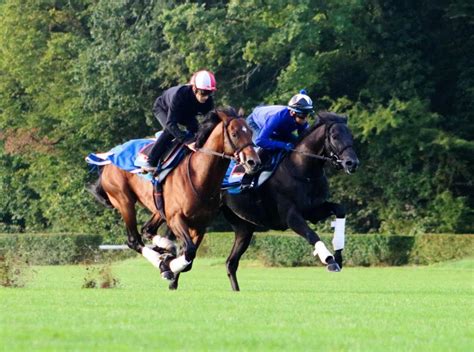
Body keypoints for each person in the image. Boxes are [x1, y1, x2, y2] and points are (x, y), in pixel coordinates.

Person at [144, 70, 217, 171]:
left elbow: (211, 121)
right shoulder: (179, 95)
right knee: (170, 131)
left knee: (196, 129)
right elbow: (170, 123)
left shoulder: (208, 100)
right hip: (163, 108)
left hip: (185, 112)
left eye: (209, 93)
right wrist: (187, 141)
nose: (206, 97)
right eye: (203, 93)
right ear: (194, 88)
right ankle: (150, 161)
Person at [241, 90, 314, 189]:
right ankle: (248, 177)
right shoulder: (278, 118)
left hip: (278, 129)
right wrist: (282, 145)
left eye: (307, 115)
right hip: (255, 123)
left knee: (296, 144)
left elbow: (304, 140)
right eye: (303, 115)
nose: (305, 119)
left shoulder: (300, 119)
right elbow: (260, 140)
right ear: (292, 112)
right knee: (264, 148)